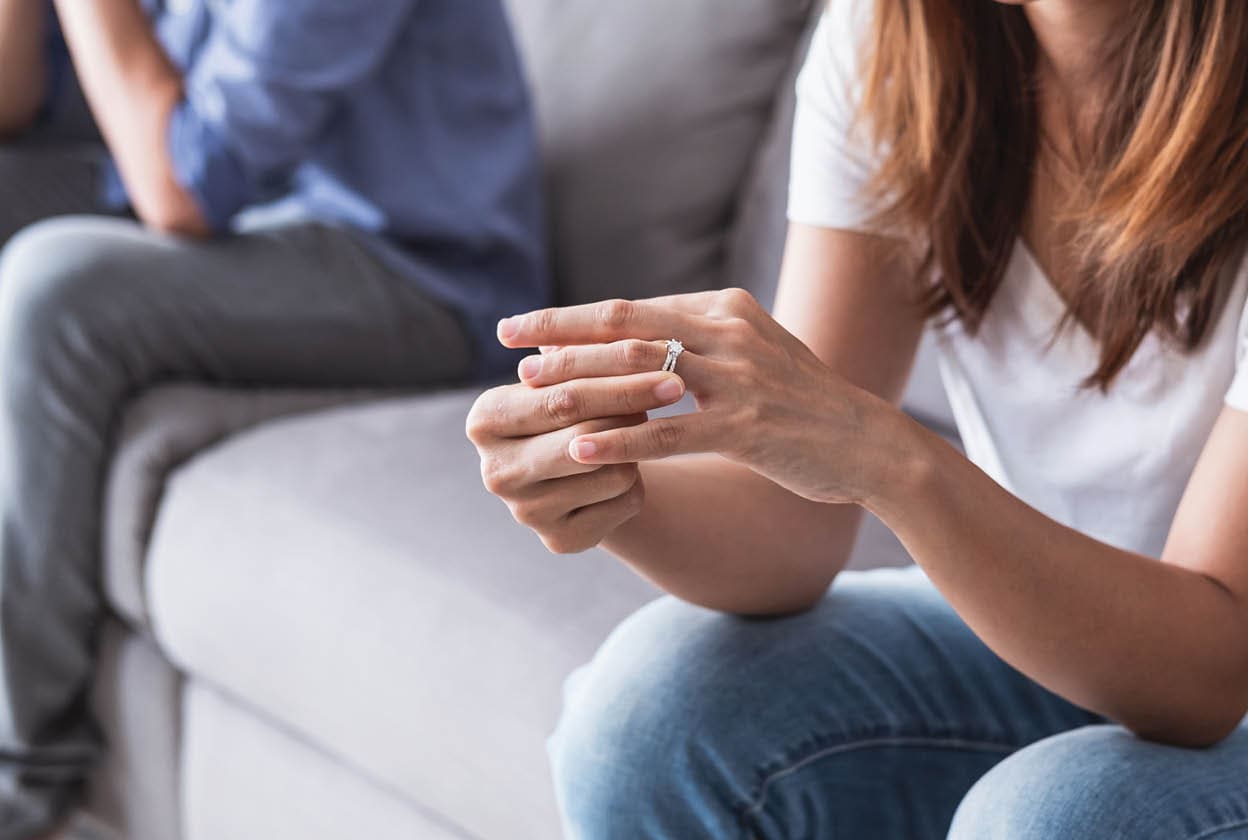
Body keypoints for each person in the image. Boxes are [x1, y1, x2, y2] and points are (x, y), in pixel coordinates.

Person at [467, 0, 1248, 836]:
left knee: (1055, 820)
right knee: (649, 716)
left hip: (1212, 666)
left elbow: (1207, 678)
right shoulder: (899, 40)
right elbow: (794, 521)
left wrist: (894, 463)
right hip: (1054, 630)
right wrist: (606, 472)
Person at [0, 0, 546, 837]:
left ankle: (10, 782)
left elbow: (183, 186)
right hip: (239, 220)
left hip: (415, 270)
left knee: (51, 286)